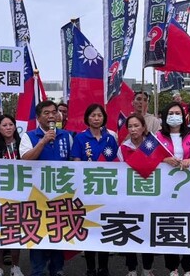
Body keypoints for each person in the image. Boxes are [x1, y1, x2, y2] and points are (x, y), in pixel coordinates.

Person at [19, 100, 72, 276]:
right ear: (38, 116)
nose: (51, 116)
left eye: (54, 112)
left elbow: (74, 164)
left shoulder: (66, 136)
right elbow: (25, 160)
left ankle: (57, 270)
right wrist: (42, 142)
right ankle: (37, 271)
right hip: (37, 196)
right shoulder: (28, 136)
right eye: (46, 113)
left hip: (60, 195)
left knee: (59, 233)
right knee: (38, 234)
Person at [71, 103, 119, 276]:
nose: (96, 118)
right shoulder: (80, 138)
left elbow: (117, 163)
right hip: (87, 190)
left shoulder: (110, 138)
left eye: (99, 115)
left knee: (104, 228)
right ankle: (90, 267)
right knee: (89, 228)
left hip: (106, 190)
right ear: (87, 118)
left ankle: (104, 267)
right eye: (93, 115)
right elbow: (76, 160)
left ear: (103, 118)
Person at [156, 102, 190, 276]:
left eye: (178, 112)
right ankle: (172, 267)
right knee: (170, 225)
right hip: (166, 190)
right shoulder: (157, 136)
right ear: (165, 117)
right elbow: (148, 158)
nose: (175, 116)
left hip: (189, 189)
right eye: (171, 113)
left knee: (189, 225)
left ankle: (189, 266)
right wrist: (165, 160)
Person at [0, 115, 24, 276]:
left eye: (11, 124)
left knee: (17, 232)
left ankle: (15, 267)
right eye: (4, 125)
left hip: (21, 194)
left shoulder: (23, 144)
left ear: (15, 127)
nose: (8, 127)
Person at [117, 113, 155, 276]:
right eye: (130, 126)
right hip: (129, 198)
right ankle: (131, 269)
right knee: (130, 231)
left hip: (149, 197)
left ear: (144, 128)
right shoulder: (123, 148)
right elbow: (117, 171)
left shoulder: (153, 145)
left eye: (136, 126)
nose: (133, 129)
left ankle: (147, 268)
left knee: (147, 232)